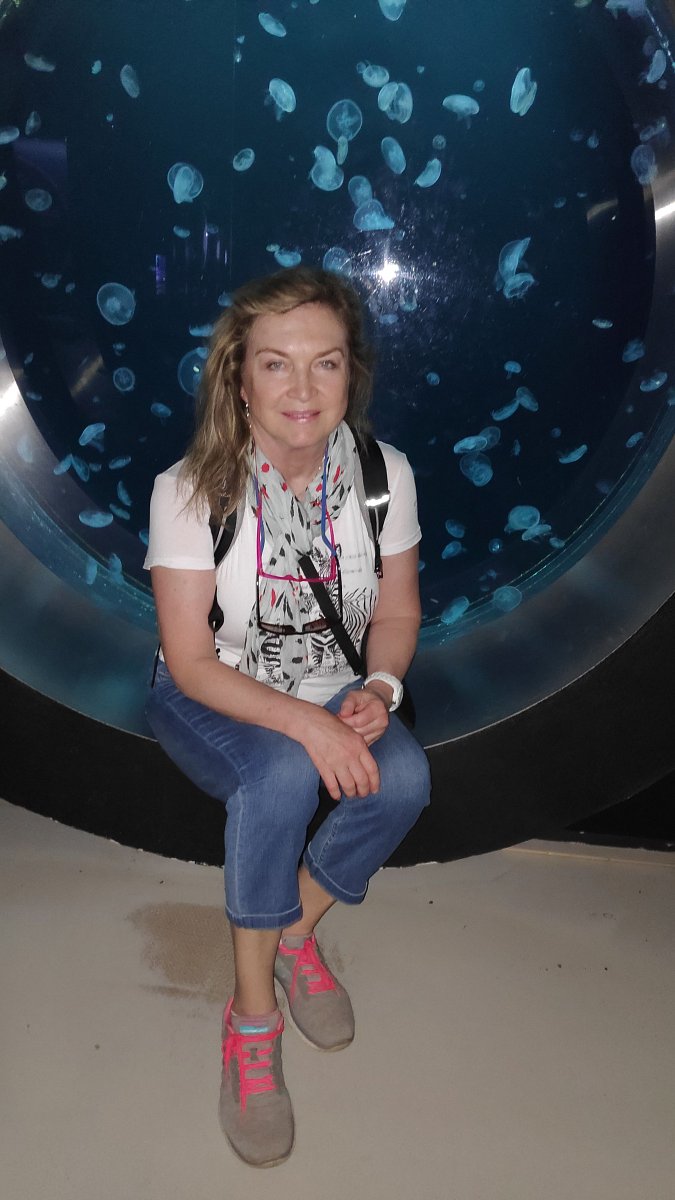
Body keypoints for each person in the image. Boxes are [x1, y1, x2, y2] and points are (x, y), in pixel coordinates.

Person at [144, 265, 431, 1168]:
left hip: (331, 684)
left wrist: (379, 690)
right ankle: (251, 1021)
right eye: (275, 364)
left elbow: (397, 612)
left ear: (351, 373)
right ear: (240, 379)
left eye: (325, 363)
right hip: (211, 693)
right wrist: (311, 728)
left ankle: (293, 932)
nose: (302, 389)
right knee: (278, 776)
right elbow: (192, 661)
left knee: (405, 782)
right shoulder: (188, 490)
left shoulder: (383, 477)